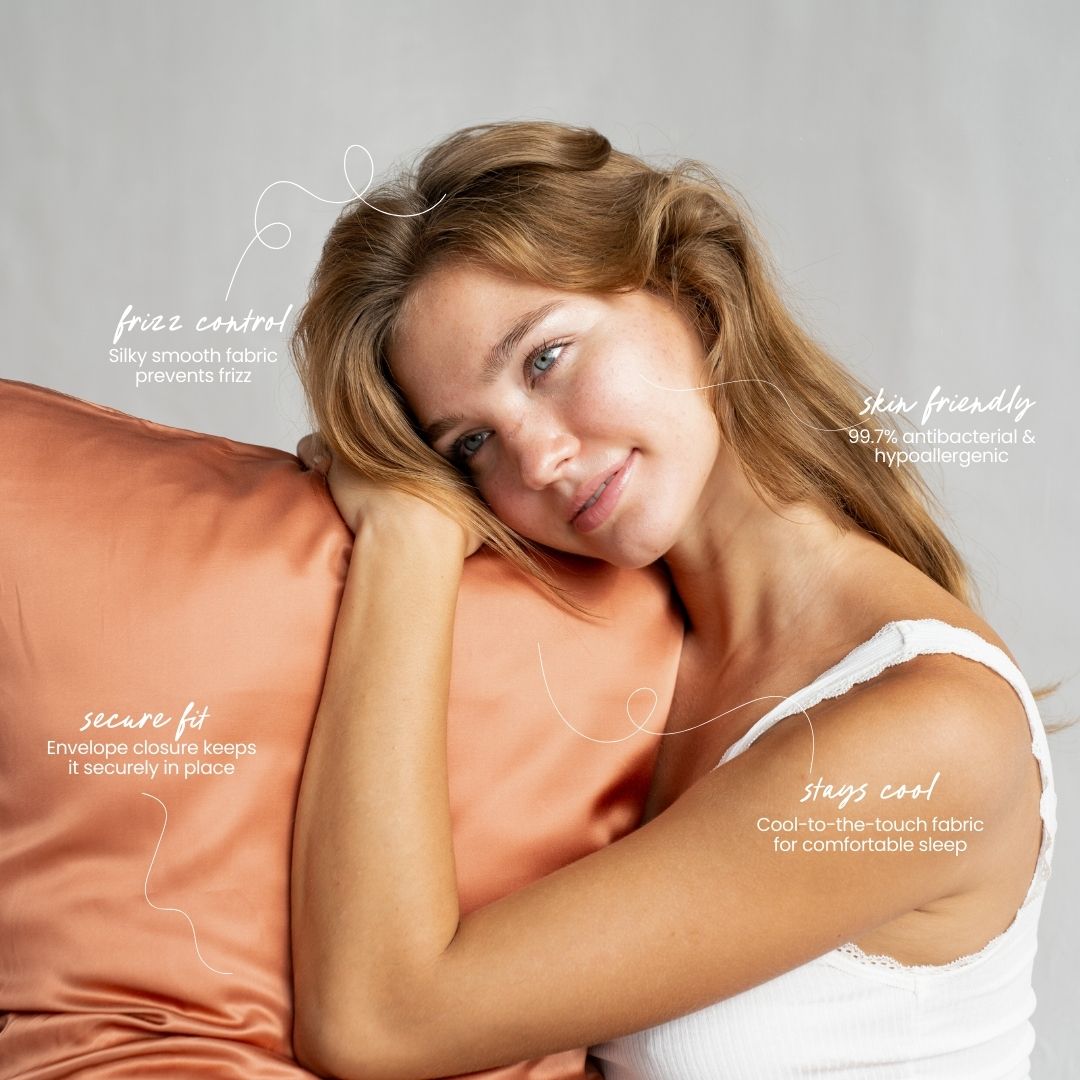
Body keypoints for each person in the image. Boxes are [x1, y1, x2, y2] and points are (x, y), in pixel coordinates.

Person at [287, 120, 1054, 1080]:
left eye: (544, 359)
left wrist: (405, 541)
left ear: (691, 290)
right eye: (470, 444)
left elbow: (380, 1022)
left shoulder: (932, 731)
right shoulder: (618, 658)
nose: (538, 458)